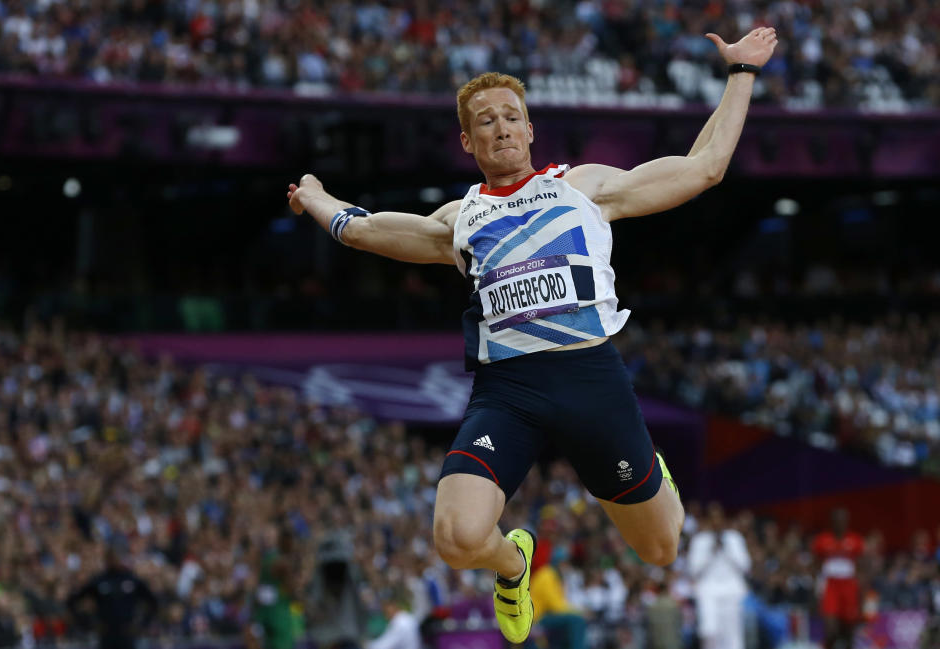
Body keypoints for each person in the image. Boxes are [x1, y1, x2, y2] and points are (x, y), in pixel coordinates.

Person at [286, 27, 777, 644]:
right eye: (485, 121)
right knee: (457, 538)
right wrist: (316, 196)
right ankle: (513, 565)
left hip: (590, 380)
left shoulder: (583, 188)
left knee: (660, 548)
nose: (501, 128)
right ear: (467, 140)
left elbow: (704, 168)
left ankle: (652, 470)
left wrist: (741, 75)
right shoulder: (460, 220)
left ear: (530, 128)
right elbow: (366, 230)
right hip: (509, 391)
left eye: (511, 117)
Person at [66, 547, 158, 649]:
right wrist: (87, 623)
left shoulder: (132, 580)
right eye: (111, 557)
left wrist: (143, 624)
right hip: (106, 634)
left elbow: (153, 602)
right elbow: (72, 601)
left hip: (127, 634)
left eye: (117, 557)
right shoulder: (98, 581)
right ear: (106, 560)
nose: (115, 560)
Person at [687, 503, 751, 649]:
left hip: (731, 591)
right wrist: (710, 552)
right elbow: (693, 570)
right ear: (708, 520)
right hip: (708, 591)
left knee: (732, 633)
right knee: (709, 631)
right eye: (712, 518)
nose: (716, 522)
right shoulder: (700, 540)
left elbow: (745, 566)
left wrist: (727, 548)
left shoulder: (734, 538)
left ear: (723, 519)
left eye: (719, 518)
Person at [812, 508, 864, 649]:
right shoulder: (822, 540)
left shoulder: (855, 540)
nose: (840, 523)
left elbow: (861, 567)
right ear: (832, 521)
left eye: (843, 519)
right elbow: (815, 566)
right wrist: (816, 589)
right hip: (830, 586)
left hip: (849, 586)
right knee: (831, 631)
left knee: (849, 631)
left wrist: (861, 591)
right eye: (837, 520)